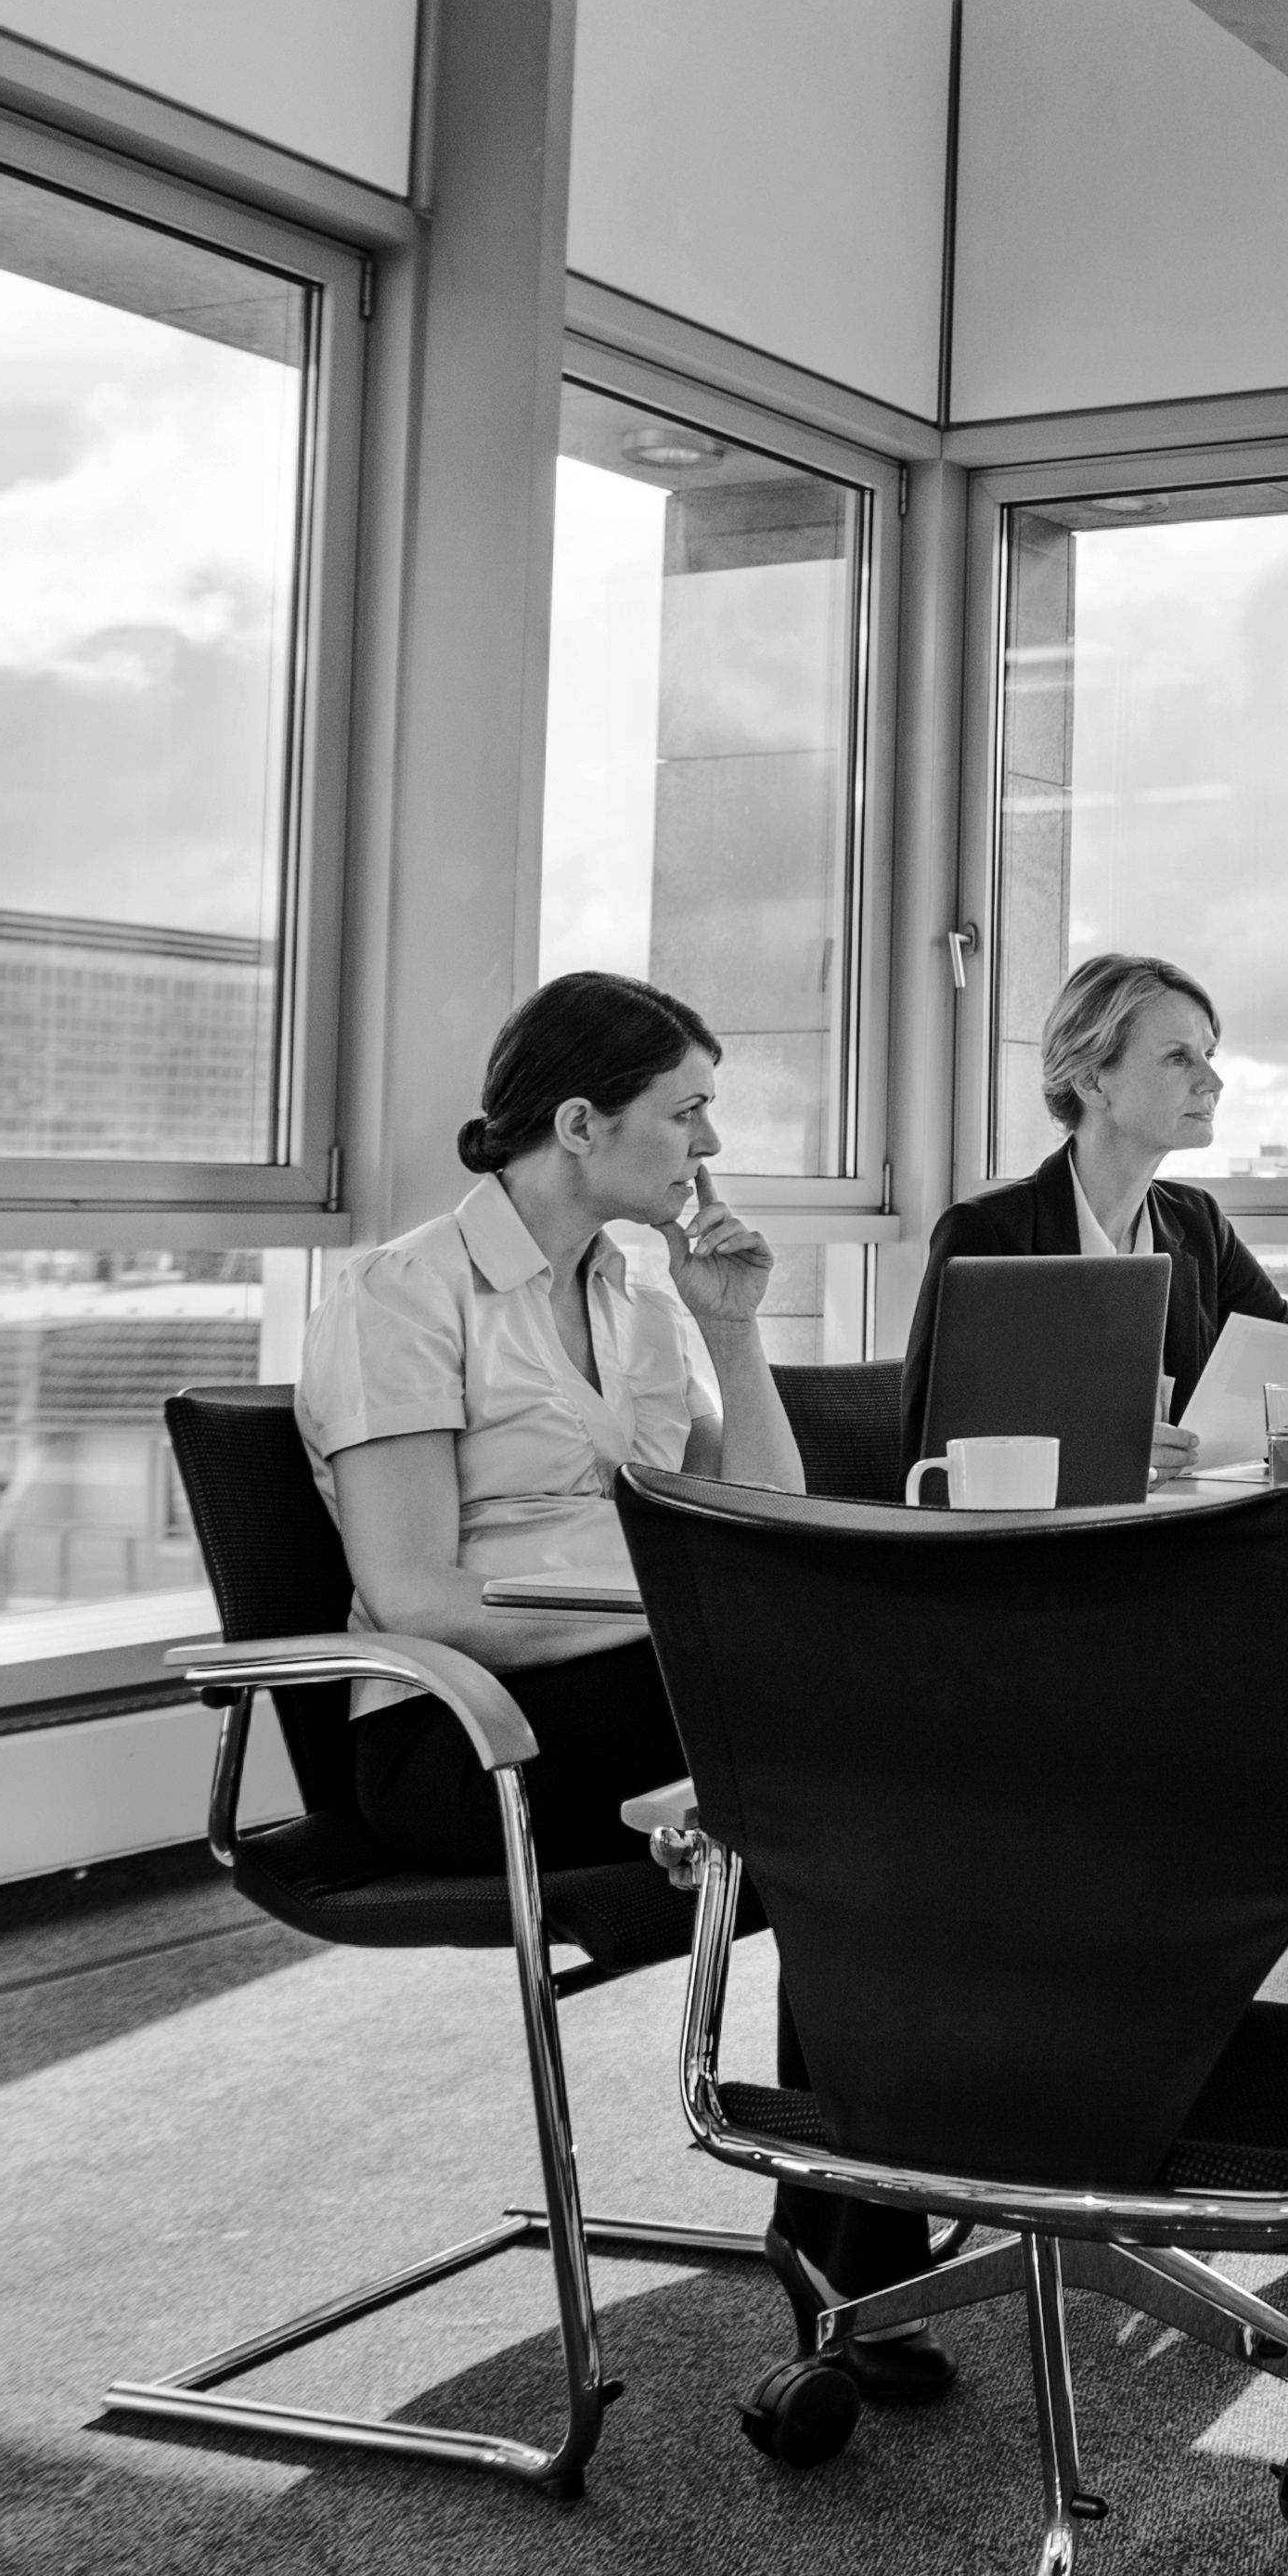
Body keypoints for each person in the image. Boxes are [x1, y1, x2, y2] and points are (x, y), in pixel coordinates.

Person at [303, 969, 943, 2384]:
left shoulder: (644, 1298)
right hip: (468, 1746)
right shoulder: (400, 1297)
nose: (710, 1148)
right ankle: (860, 2246)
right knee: (870, 1756)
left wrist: (730, 1324)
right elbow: (417, 1598)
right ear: (582, 1122)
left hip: (650, 1699)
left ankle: (860, 2241)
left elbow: (768, 1518)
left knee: (881, 1782)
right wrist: (680, 1622)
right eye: (690, 1112)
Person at [899, 952, 1288, 1477]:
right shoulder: (987, 1233)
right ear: (1093, 1082)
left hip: (1186, 1532)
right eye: (1178, 1058)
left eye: (1210, 1054)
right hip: (1041, 1548)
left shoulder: (1198, 1225)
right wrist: (1097, 1455)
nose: (1213, 1081)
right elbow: (934, 1454)